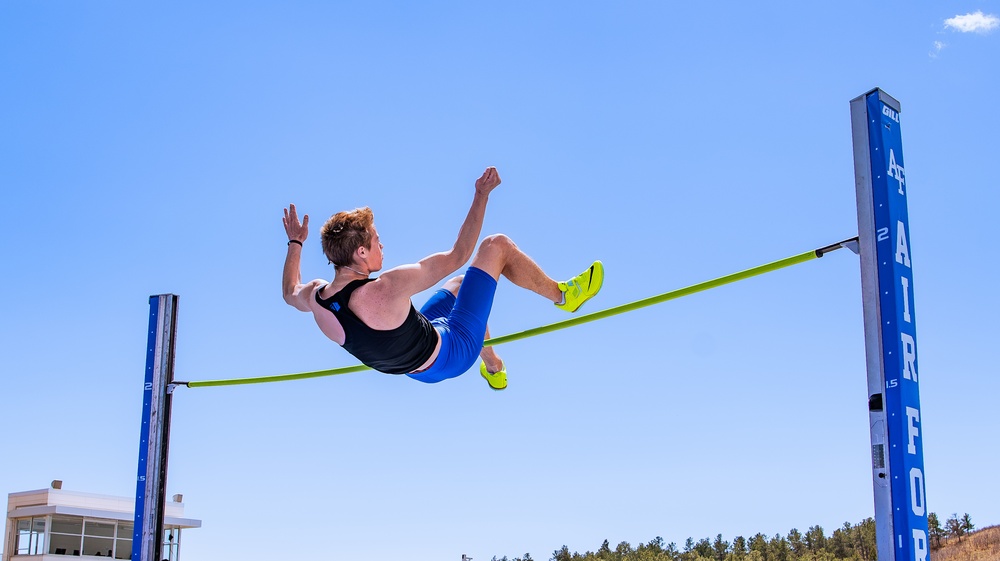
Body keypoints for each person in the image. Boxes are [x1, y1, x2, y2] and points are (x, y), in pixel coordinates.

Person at [281, 166, 603, 390]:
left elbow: (289, 291)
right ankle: (565, 297)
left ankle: (493, 367)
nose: (382, 244)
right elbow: (459, 255)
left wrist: (295, 242)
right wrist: (482, 194)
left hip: (414, 366)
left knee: (463, 286)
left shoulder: (316, 296)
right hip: (451, 354)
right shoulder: (388, 287)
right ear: (361, 253)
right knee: (496, 246)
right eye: (376, 240)